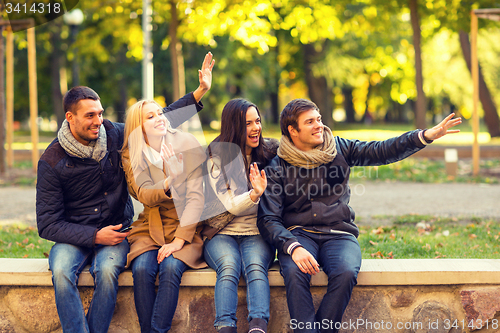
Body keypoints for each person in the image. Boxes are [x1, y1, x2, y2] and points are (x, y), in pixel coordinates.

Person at [36, 52, 214, 333]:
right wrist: (93, 235)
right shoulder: (51, 160)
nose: (98, 121)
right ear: (70, 117)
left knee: (107, 272)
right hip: (74, 234)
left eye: (101, 113)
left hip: (116, 231)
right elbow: (47, 223)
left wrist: (199, 91)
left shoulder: (113, 134)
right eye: (90, 116)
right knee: (60, 271)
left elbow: (158, 120)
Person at [257, 99, 461, 333]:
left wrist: (423, 136)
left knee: (345, 271)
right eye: (310, 122)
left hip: (338, 233)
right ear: (293, 131)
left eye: (319, 119)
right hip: (299, 235)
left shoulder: (339, 148)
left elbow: (381, 150)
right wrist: (292, 247)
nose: (319, 126)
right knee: (294, 272)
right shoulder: (276, 166)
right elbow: (268, 219)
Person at [121, 97, 207, 332]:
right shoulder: (131, 153)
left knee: (170, 268)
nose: (159, 118)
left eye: (160, 113)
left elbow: (197, 198)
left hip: (187, 225)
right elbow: (142, 194)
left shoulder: (187, 142)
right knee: (141, 270)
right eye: (150, 116)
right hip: (151, 226)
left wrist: (179, 240)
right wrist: (170, 180)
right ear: (138, 127)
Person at [202, 99, 278, 333]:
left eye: (258, 121)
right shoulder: (217, 158)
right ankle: (225, 327)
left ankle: (258, 327)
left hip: (256, 231)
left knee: (255, 267)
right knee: (229, 265)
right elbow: (231, 206)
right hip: (221, 233)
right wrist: (255, 194)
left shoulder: (270, 152)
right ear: (234, 126)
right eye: (248, 124)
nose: (256, 128)